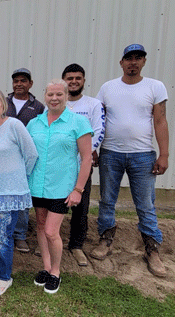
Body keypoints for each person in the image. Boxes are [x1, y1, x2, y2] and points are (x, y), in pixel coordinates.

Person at [90, 44, 169, 278]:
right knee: (107, 200)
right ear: (121, 62)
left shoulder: (155, 87)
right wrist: (94, 148)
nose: (133, 62)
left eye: (138, 58)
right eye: (128, 58)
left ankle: (152, 249)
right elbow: (98, 121)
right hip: (110, 153)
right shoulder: (107, 88)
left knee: (145, 204)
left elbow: (161, 121)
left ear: (143, 61)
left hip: (143, 154)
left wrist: (163, 154)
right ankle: (106, 239)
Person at [27, 79, 92, 294]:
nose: (54, 99)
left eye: (59, 95)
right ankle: (45, 267)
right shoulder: (34, 123)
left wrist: (78, 189)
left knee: (51, 231)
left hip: (62, 187)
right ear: (44, 96)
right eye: (50, 95)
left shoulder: (77, 123)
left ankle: (55, 271)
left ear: (66, 96)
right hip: (37, 186)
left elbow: (86, 158)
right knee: (40, 226)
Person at [0, 89, 38, 296]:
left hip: (9, 192)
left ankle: (5, 276)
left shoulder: (14, 125)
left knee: (5, 236)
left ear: (3, 104)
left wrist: (20, 178)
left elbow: (31, 154)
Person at [61, 63, 105, 266]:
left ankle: (76, 245)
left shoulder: (93, 105)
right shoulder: (57, 103)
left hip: (82, 165)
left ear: (84, 81)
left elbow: (98, 131)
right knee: (55, 203)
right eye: (70, 78)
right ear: (64, 81)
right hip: (59, 167)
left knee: (81, 207)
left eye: (78, 78)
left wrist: (84, 156)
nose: (74, 81)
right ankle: (49, 240)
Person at [5, 67, 45, 254]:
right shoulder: (4, 103)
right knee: (2, 196)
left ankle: (20, 236)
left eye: (23, 80)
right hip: (4, 157)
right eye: (16, 81)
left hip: (24, 158)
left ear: (30, 84)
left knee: (21, 196)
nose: (19, 84)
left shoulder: (38, 107)